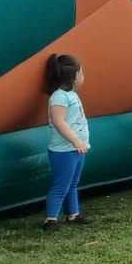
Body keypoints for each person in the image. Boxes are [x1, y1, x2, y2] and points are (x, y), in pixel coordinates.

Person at [43, 53, 90, 228]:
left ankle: (73, 214)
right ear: (74, 76)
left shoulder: (71, 95)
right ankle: (51, 219)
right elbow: (59, 121)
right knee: (61, 185)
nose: (83, 76)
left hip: (76, 149)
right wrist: (75, 140)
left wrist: (79, 143)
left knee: (73, 183)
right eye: (82, 72)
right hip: (63, 151)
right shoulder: (59, 97)